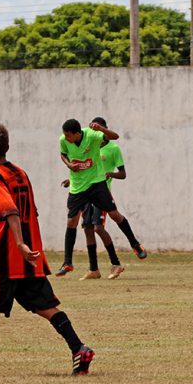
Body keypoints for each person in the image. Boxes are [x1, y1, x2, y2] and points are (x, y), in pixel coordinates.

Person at [0, 123, 95, 376]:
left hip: (8, 255)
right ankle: (79, 349)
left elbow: (11, 212)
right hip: (31, 255)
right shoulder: (20, 172)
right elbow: (30, 209)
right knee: (44, 306)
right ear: (8, 146)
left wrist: (18, 243)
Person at [56, 119, 146, 277]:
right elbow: (63, 154)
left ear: (77, 134)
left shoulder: (93, 136)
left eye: (69, 135)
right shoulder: (64, 139)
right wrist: (69, 165)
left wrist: (101, 129)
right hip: (77, 187)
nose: (66, 138)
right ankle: (68, 262)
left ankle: (135, 245)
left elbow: (115, 136)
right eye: (65, 135)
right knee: (74, 223)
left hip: (97, 183)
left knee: (114, 215)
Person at [64, 117, 127, 281]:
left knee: (98, 227)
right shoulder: (90, 145)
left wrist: (109, 174)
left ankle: (116, 263)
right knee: (87, 228)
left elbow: (122, 174)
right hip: (84, 191)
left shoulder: (112, 148)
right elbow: (86, 167)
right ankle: (94, 269)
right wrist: (71, 180)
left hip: (100, 191)